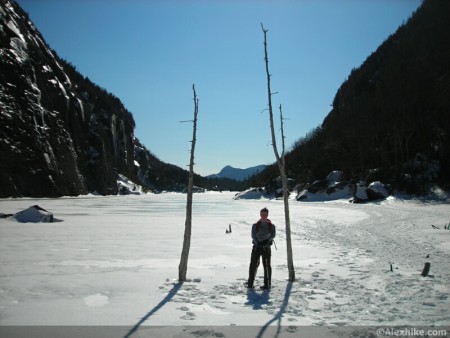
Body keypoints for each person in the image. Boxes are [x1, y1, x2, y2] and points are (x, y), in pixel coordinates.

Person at [246, 207, 276, 290]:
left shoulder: (271, 226)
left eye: (265, 214)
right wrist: (257, 242)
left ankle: (267, 284)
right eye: (262, 214)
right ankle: (250, 283)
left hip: (266, 248)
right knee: (253, 265)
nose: (263, 216)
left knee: (267, 265)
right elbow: (253, 235)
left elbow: (273, 235)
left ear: (267, 215)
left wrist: (266, 241)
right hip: (256, 247)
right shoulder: (255, 225)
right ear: (260, 214)